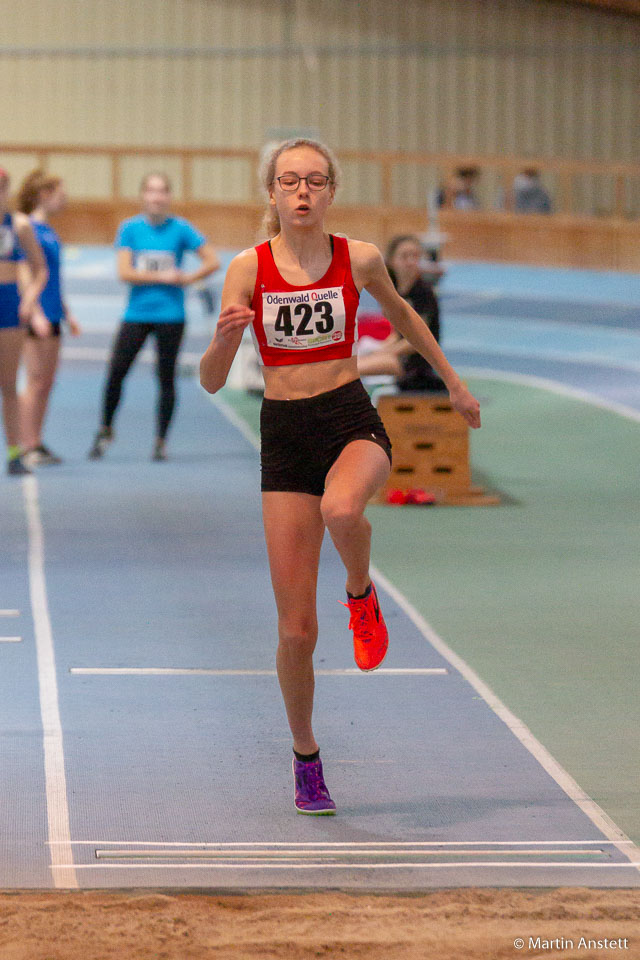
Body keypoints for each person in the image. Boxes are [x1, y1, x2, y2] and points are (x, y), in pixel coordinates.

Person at [200, 138, 480, 816]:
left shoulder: (359, 257)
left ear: (331, 191)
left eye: (315, 180)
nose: (302, 191)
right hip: (285, 435)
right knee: (296, 632)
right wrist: (225, 339)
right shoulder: (247, 268)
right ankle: (306, 758)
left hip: (350, 417)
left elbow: (406, 316)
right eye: (290, 181)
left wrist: (454, 382)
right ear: (272, 192)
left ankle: (360, 593)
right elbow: (210, 381)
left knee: (343, 509)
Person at [88, 172, 219, 461]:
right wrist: (163, 276)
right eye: (151, 190)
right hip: (136, 314)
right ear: (143, 195)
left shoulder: (181, 228)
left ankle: (161, 441)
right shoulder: (130, 228)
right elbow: (125, 272)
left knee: (166, 378)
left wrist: (188, 278)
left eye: (162, 191)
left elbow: (212, 260)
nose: (157, 197)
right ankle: (105, 428)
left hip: (171, 316)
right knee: (116, 372)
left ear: (168, 196)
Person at [16, 170, 81, 466]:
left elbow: (53, 277)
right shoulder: (27, 227)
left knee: (46, 382)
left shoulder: (48, 230)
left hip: (53, 311)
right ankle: (24, 445)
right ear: (44, 195)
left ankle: (36, 441)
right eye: (60, 193)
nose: (65, 199)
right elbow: (25, 273)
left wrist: (67, 312)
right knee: (35, 381)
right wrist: (36, 313)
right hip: (37, 314)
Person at [0, 166, 48, 476]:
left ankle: (15, 452)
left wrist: (29, 299)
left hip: (8, 304)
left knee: (8, 383)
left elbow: (40, 268)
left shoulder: (19, 225)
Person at [357, 234, 446, 392]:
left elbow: (417, 341)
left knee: (352, 368)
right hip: (398, 357)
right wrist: (378, 350)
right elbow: (397, 335)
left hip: (415, 366)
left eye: (415, 256)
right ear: (392, 261)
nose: (411, 261)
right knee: (358, 354)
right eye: (405, 256)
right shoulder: (394, 291)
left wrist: (383, 352)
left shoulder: (423, 293)